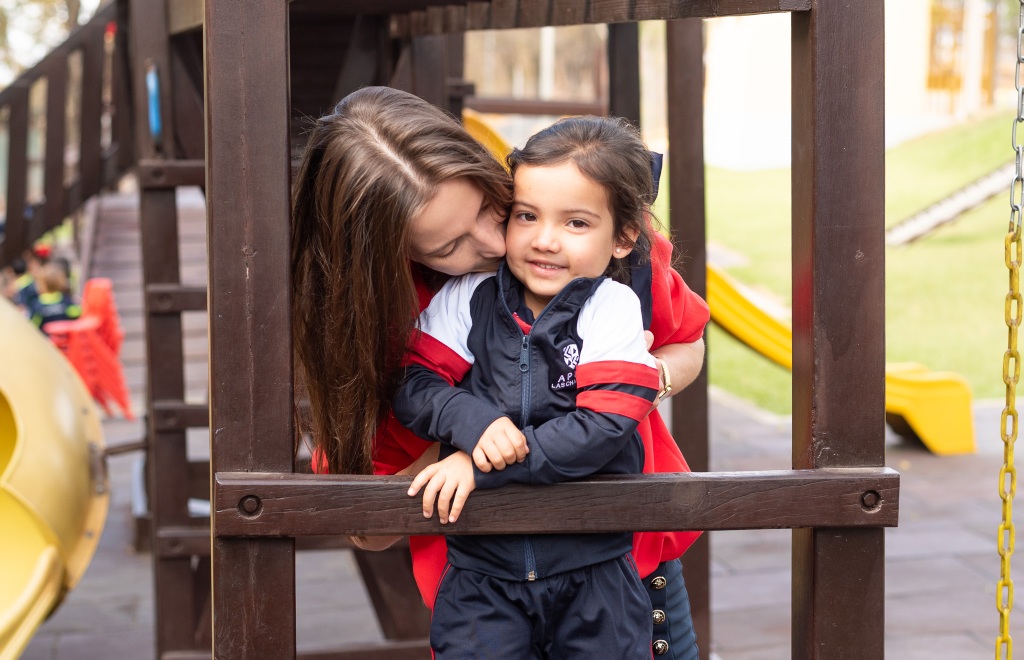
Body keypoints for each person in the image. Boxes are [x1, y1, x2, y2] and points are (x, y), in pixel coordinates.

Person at [290, 86, 709, 658]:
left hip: (629, 571)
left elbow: (687, 340)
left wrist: (640, 382)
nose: (495, 243)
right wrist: (465, 448)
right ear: (398, 259)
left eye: (495, 208)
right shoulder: (404, 325)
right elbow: (370, 527)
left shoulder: (584, 241)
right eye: (451, 244)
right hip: (489, 605)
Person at [392, 115, 673, 658]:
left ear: (623, 238)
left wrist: (477, 466)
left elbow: (603, 427)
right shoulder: (471, 297)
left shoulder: (611, 309)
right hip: (483, 574)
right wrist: (471, 422)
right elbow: (413, 381)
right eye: (527, 216)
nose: (544, 241)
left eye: (576, 224)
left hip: (592, 568)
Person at [28, 262, 81, 330]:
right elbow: (77, 313)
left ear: (42, 285)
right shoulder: (66, 301)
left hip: (44, 339)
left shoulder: (37, 305)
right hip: (63, 337)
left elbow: (33, 324)